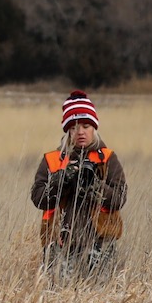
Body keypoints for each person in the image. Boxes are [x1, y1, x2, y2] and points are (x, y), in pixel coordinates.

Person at [30, 90, 128, 282]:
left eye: (86, 126)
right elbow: (38, 197)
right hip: (59, 244)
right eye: (74, 128)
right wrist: (61, 180)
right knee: (57, 298)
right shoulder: (53, 160)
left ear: (94, 129)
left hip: (100, 243)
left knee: (101, 299)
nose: (80, 132)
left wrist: (95, 186)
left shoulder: (107, 158)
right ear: (67, 131)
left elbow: (120, 197)